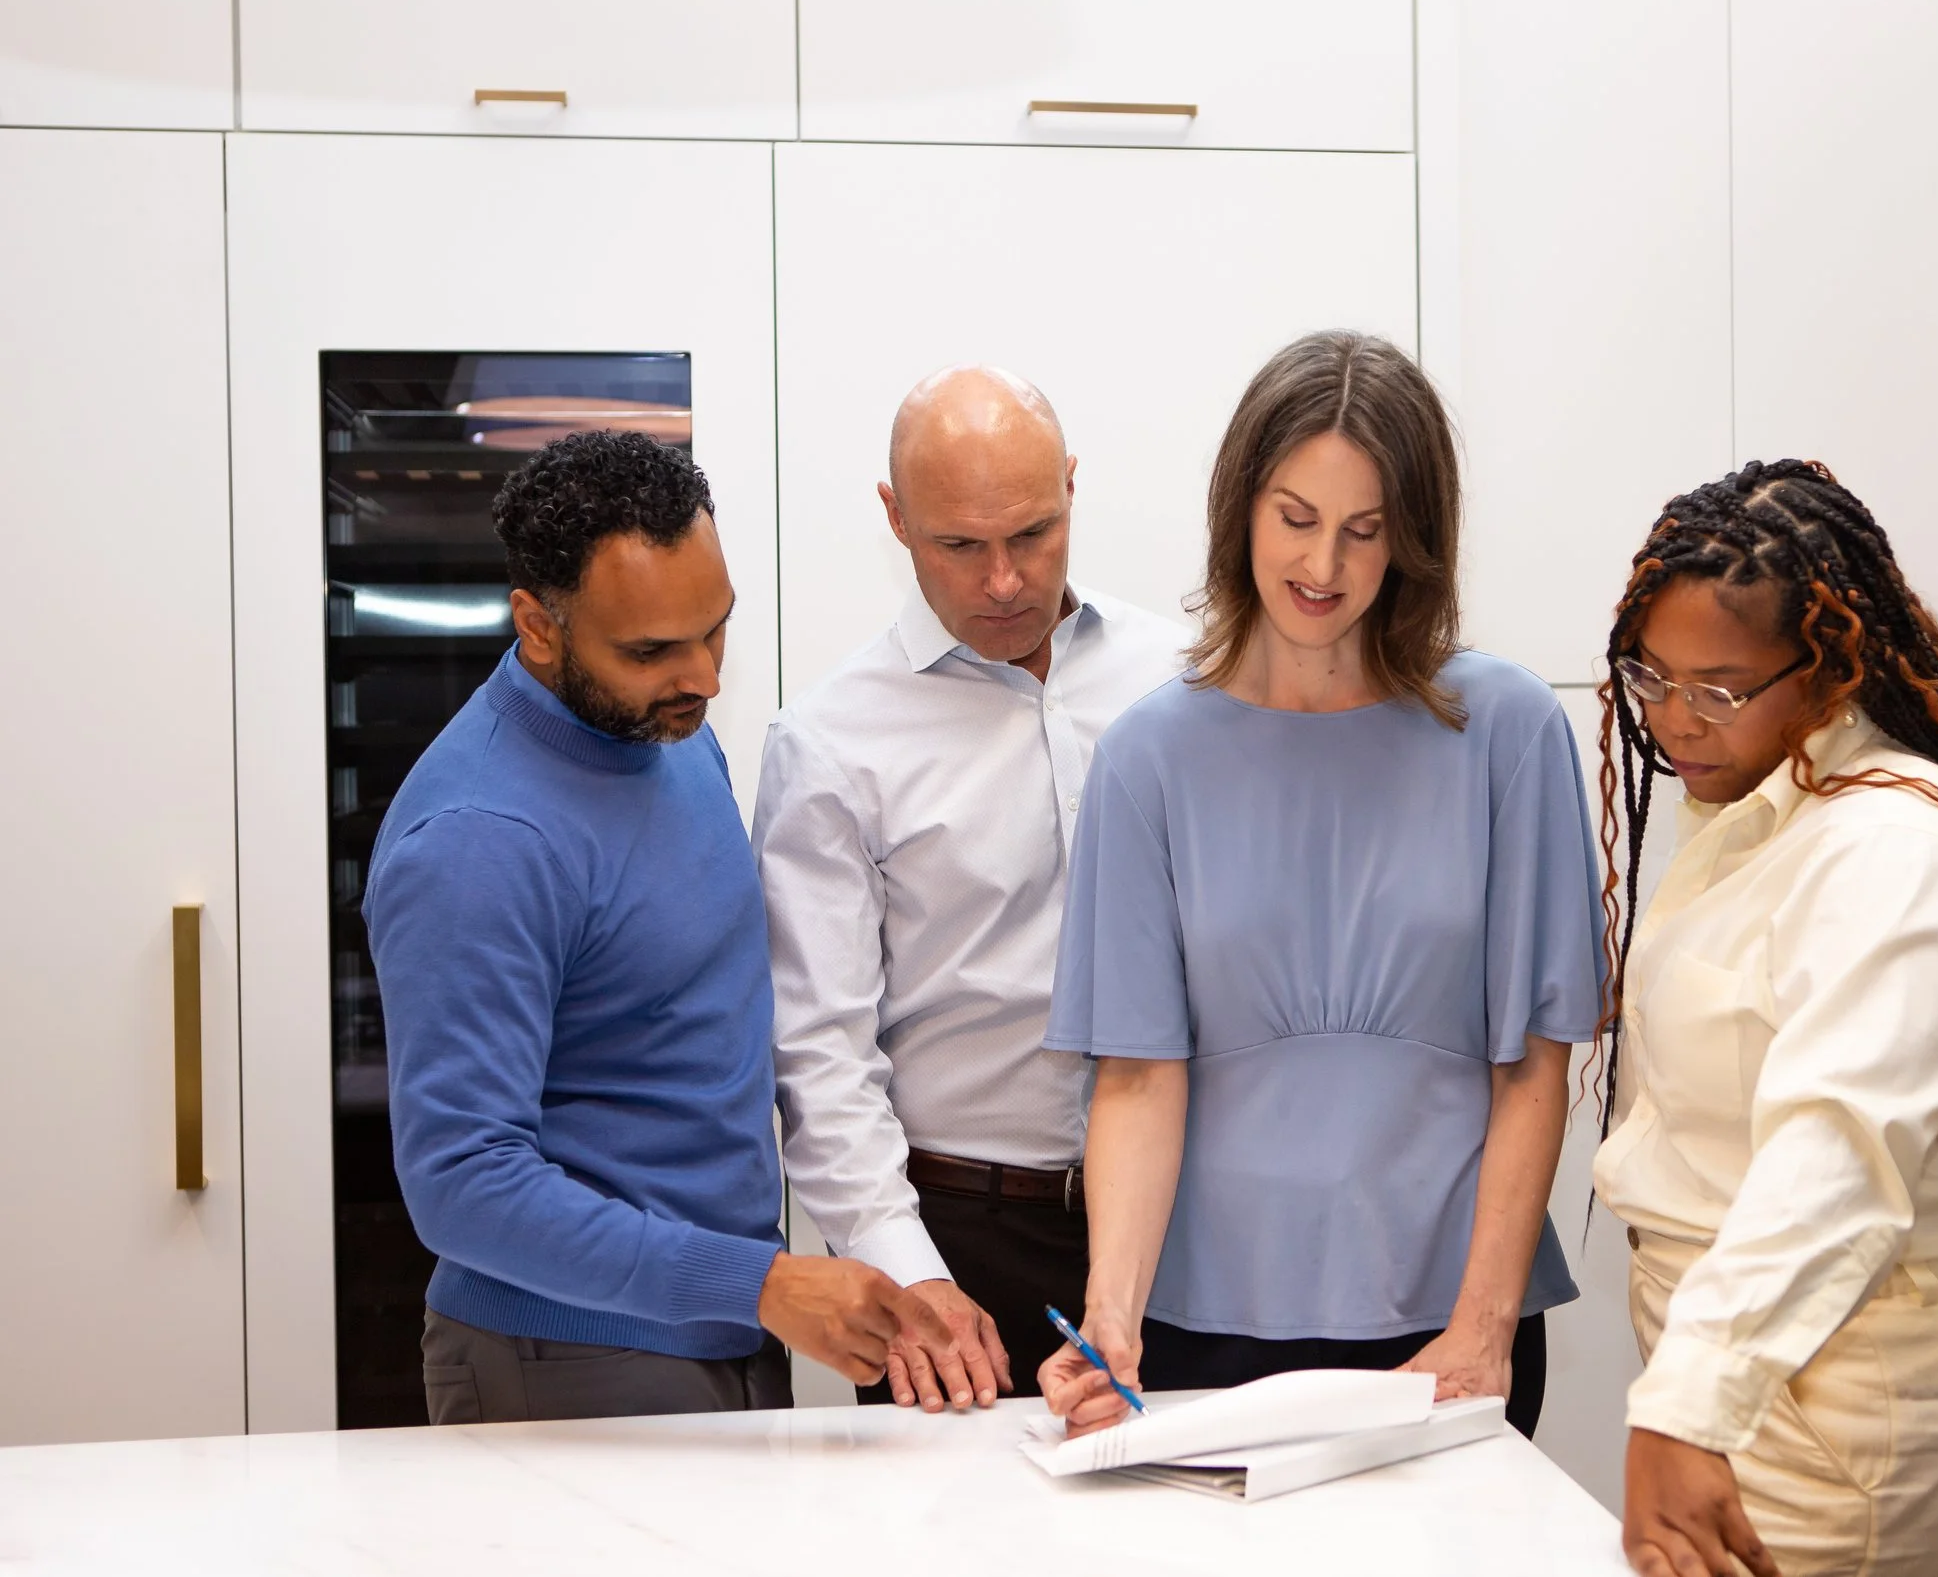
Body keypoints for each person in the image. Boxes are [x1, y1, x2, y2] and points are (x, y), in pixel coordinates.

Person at [1036, 331, 1606, 1441]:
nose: (1324, 566)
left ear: (1414, 535)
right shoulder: (1150, 757)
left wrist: (1485, 1322)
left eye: (1364, 529)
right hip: (1205, 1323)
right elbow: (1138, 1077)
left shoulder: (1510, 732)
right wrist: (1110, 1317)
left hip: (1451, 1326)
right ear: (1240, 508)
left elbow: (1535, 1065)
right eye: (1295, 518)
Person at [1588, 459, 1938, 1577]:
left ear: (1830, 667)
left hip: (1869, 1412)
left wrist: (1687, 1404)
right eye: (1651, 676)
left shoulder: (1900, 855)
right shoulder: (1774, 807)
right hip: (1796, 1383)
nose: (1672, 720)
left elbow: (1838, 1152)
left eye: (1717, 688)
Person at [368, 429, 958, 1424]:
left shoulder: (666, 732)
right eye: (650, 649)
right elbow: (462, 1182)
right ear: (537, 625)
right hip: (558, 1355)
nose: (704, 678)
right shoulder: (478, 840)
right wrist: (757, 1282)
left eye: (713, 630)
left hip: (716, 1334)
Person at [753, 367, 1189, 1410]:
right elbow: (818, 1051)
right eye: (959, 544)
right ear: (894, 518)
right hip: (966, 1239)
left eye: (1032, 533)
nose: (1003, 579)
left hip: (1189, 1223)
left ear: (1073, 489)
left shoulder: (1182, 679)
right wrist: (914, 1276)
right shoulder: (829, 740)